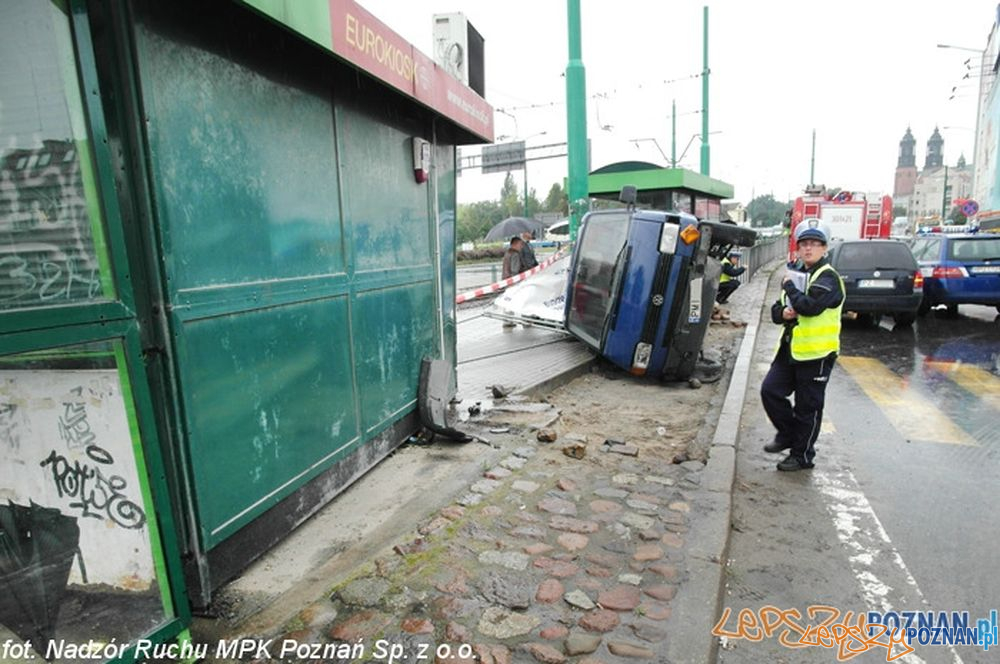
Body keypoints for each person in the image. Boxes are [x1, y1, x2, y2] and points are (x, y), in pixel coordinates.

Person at [760, 220, 844, 471]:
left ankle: (802, 455)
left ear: (824, 248)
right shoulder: (796, 273)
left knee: (808, 408)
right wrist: (783, 313)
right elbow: (777, 309)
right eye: (804, 244)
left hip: (817, 354)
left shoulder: (827, 277)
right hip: (790, 349)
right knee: (771, 391)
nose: (808, 249)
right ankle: (787, 434)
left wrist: (788, 288)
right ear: (798, 248)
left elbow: (810, 307)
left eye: (814, 244)